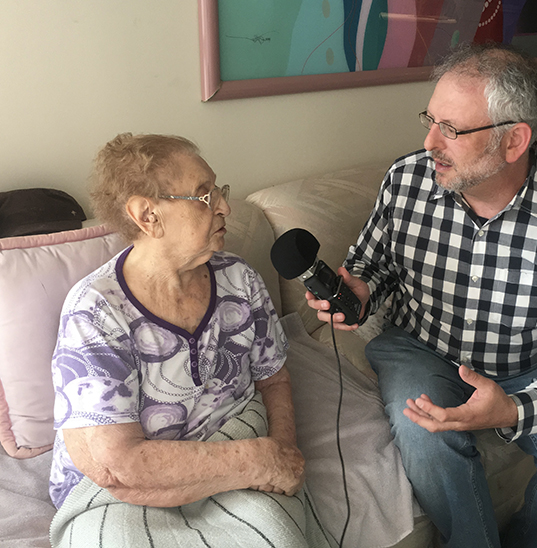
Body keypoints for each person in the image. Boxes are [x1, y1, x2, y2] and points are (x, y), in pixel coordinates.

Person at [306, 43, 537, 548]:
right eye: (430, 119)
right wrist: (360, 288)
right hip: (420, 346)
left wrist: (516, 409)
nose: (429, 141)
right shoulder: (407, 180)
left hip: (532, 363)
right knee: (426, 433)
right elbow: (374, 264)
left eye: (451, 129)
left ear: (514, 141)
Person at [49, 133, 335, 548]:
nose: (224, 206)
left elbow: (273, 379)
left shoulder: (240, 279)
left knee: (277, 537)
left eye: (219, 190)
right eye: (204, 196)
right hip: (121, 492)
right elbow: (120, 464)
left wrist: (282, 452)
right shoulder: (95, 311)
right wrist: (257, 460)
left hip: (234, 440)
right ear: (147, 215)